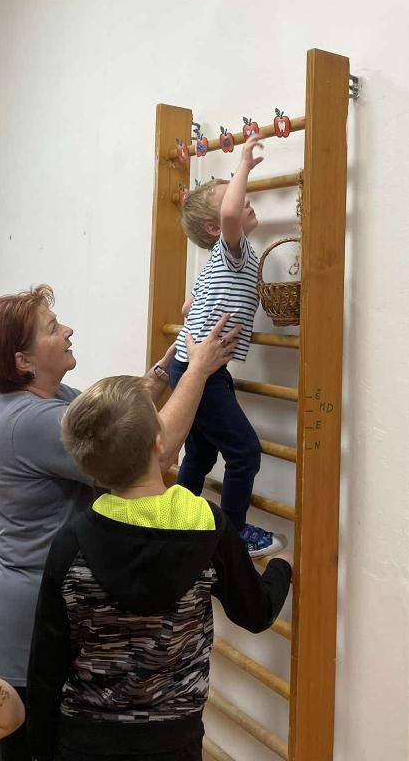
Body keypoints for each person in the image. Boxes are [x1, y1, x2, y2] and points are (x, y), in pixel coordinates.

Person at [0, 284, 240, 761]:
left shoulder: (48, 397)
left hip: (22, 606)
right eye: (52, 328)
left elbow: (121, 420)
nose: (67, 330)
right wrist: (197, 369)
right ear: (24, 361)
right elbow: (154, 450)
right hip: (17, 622)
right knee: (23, 750)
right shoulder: (31, 420)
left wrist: (166, 367)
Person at [27, 374, 292, 761]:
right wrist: (282, 567)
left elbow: (46, 663)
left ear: (90, 469)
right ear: (158, 442)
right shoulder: (207, 527)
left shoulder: (71, 543)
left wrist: (38, 749)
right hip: (175, 739)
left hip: (85, 738)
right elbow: (255, 612)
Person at [172, 134, 284, 556]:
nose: (244, 199)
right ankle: (231, 534)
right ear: (216, 228)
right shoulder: (232, 251)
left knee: (200, 456)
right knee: (244, 452)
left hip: (198, 369)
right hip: (201, 372)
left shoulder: (223, 261)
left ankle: (178, 521)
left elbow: (189, 305)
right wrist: (244, 165)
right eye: (233, 196)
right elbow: (232, 211)